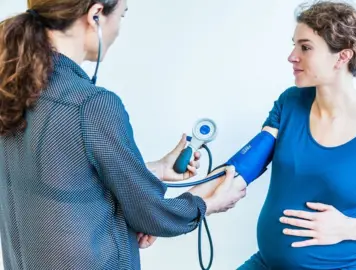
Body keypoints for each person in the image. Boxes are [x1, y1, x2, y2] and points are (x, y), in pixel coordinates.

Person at [0, 0, 246, 269]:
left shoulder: (11, 91)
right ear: (96, 14)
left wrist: (157, 168)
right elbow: (152, 215)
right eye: (122, 15)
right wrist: (209, 203)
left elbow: (60, 177)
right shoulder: (90, 104)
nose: (119, 28)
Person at [231, 1, 356, 269]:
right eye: (294, 45)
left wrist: (347, 228)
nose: (292, 56)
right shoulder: (290, 103)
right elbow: (244, 166)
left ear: (342, 57)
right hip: (267, 263)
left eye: (305, 47)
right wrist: (183, 206)